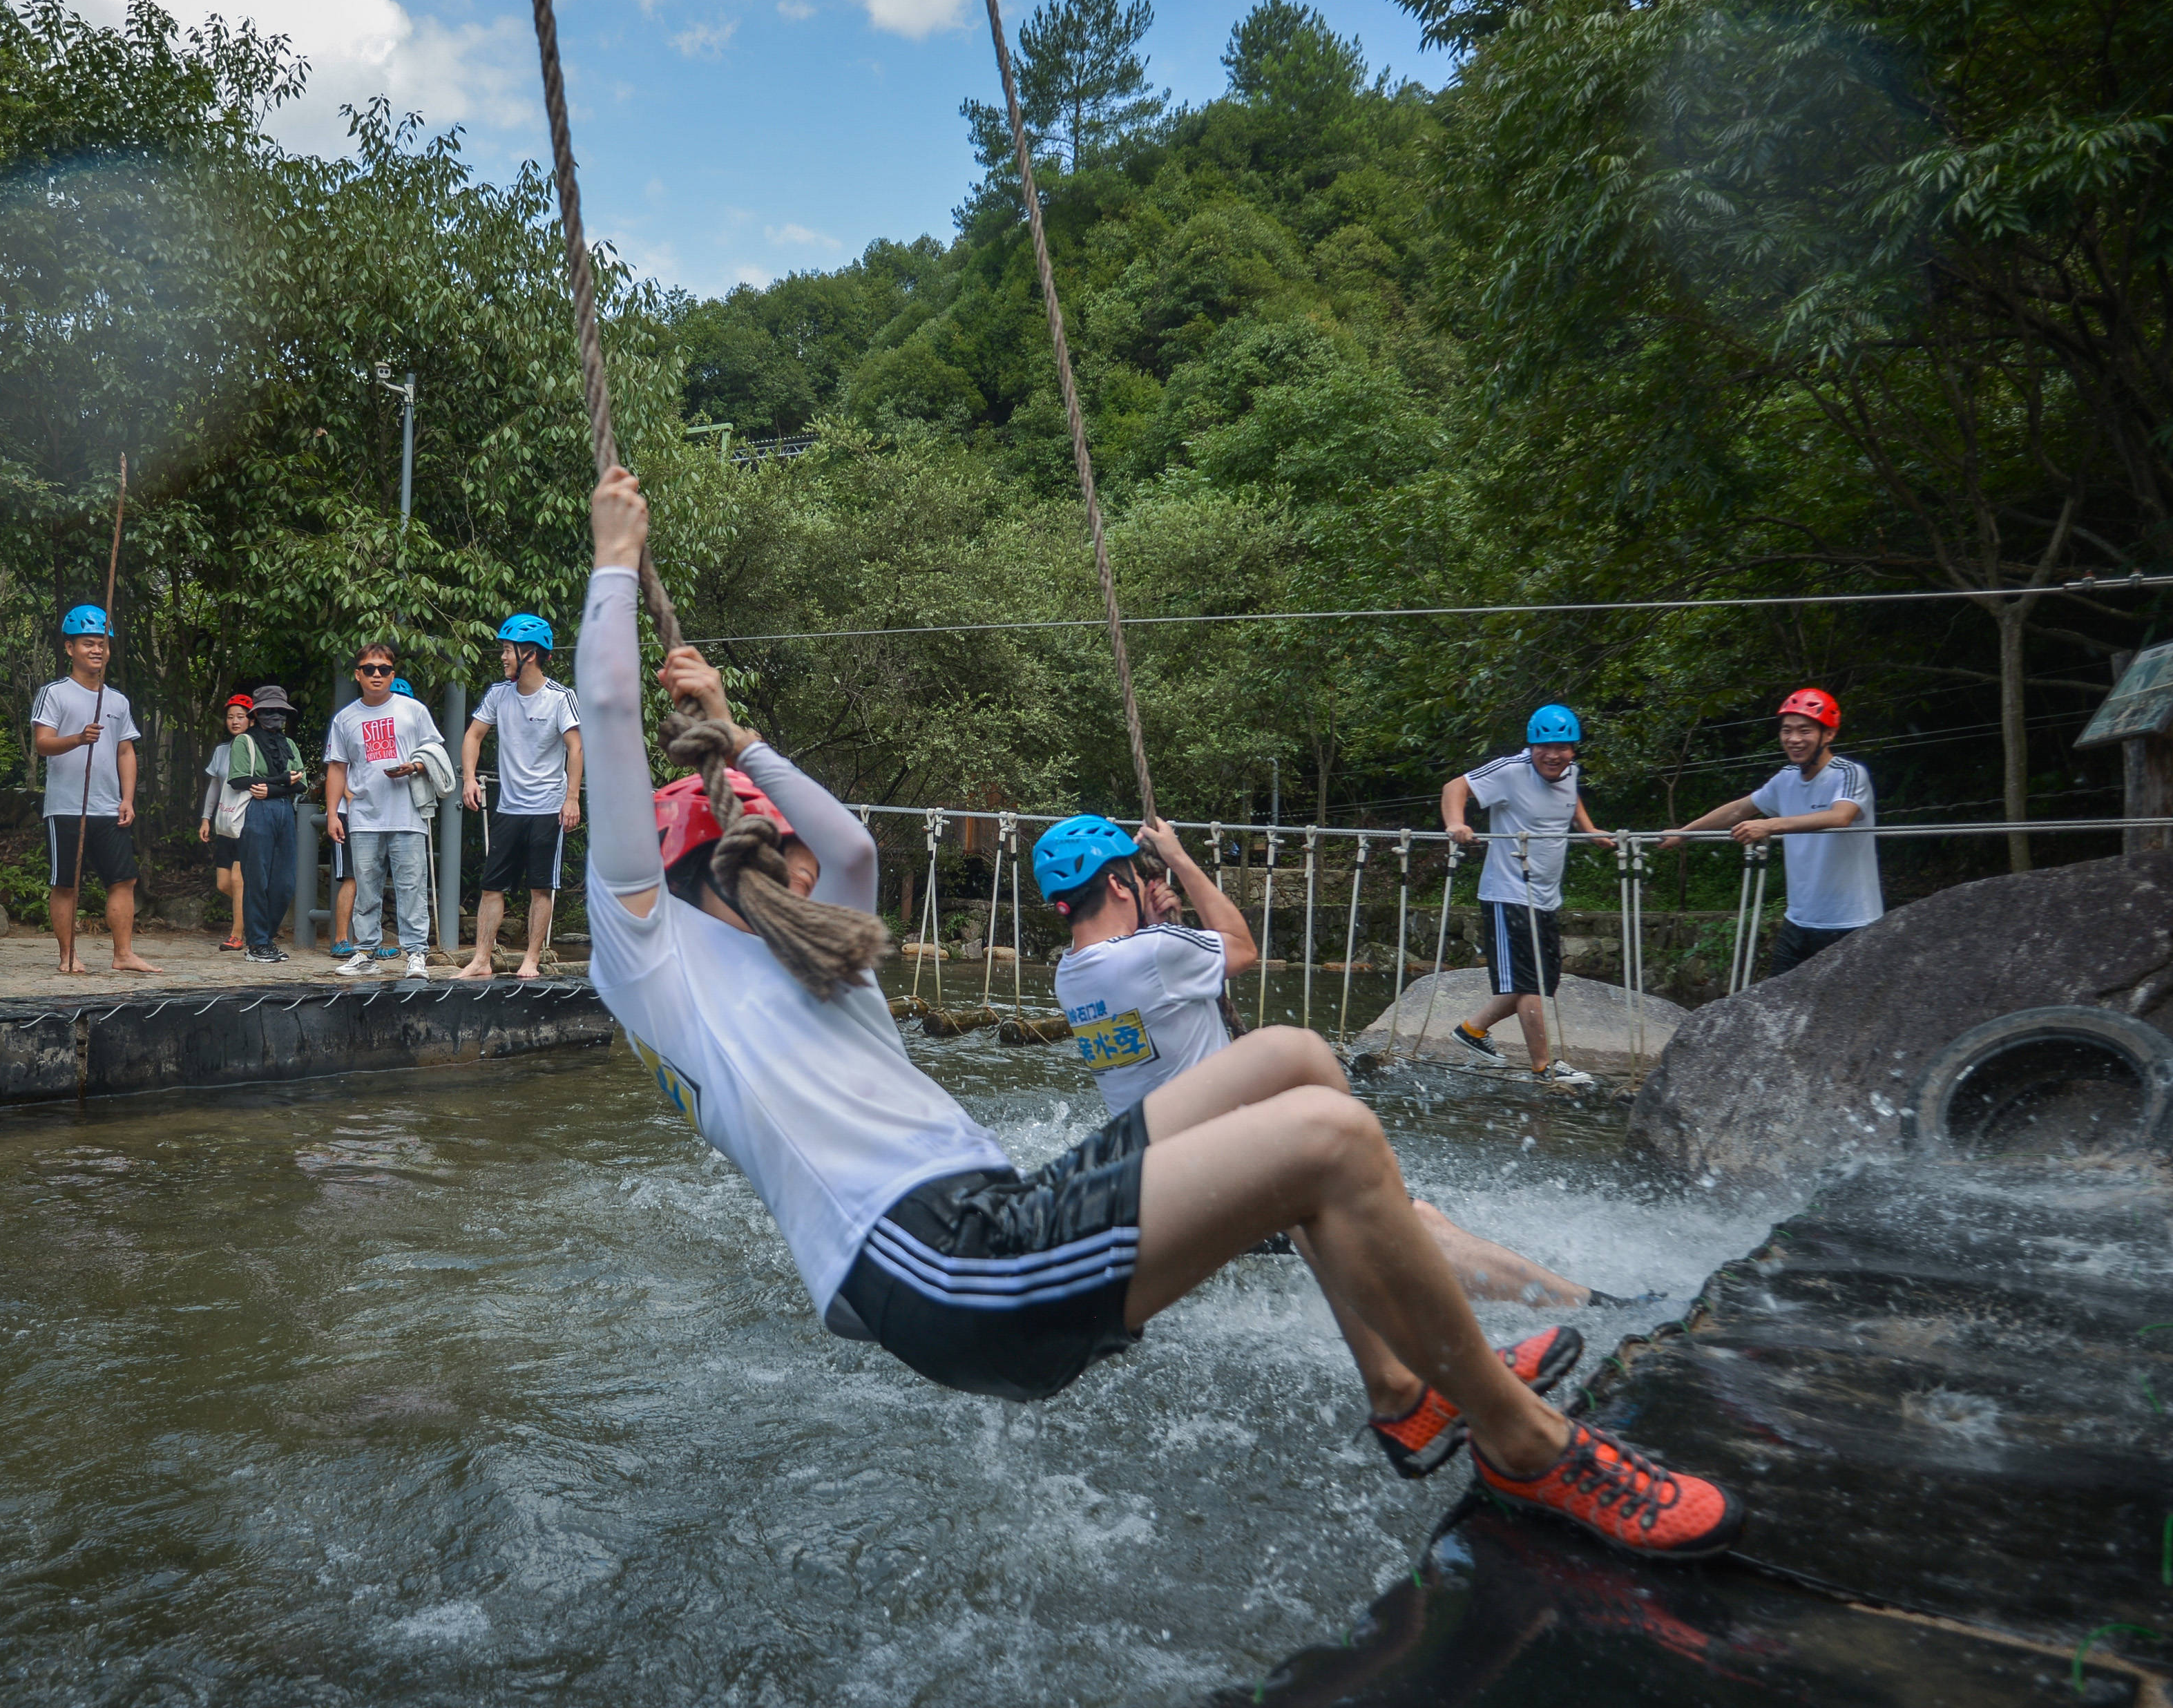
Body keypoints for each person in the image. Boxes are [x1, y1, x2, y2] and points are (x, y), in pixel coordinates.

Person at [578, 462, 1739, 1560]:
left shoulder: (817, 956)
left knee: (1291, 1058)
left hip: (990, 1214)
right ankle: (1525, 1441)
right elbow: (611, 711)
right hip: (931, 1268)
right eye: (768, 850)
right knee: (1328, 1144)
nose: (798, 861)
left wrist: (737, 734)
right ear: (712, 877)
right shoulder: (657, 968)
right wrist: (615, 562)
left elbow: (849, 841)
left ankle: (1400, 1389)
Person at [1039, 814, 1610, 1325]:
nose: (1147, 884)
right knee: (1407, 1224)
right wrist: (1181, 861)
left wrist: (1156, 920)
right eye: (1139, 878)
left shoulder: (1073, 975)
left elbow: (1149, 976)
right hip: (1226, 1169)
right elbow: (1240, 948)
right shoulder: (1154, 951)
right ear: (1118, 884)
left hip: (1169, 1183)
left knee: (1384, 1226)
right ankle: (1584, 1308)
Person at [1442, 707, 1614, 1084]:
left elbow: (1572, 800)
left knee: (1540, 980)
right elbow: (1455, 787)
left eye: (1563, 748)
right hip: (1508, 893)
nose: (1554, 756)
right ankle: (1544, 1068)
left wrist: (1589, 829)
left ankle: (1472, 1030)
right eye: (1545, 747)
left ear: (1573, 750)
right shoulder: (1510, 771)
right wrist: (1456, 822)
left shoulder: (1570, 772)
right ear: (1531, 746)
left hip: (1546, 896)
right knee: (1531, 982)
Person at [1658, 687, 1881, 975]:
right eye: (1787, 731)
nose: (1794, 739)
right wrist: (1684, 833)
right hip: (1798, 922)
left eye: (1805, 731)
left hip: (1851, 923)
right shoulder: (1785, 778)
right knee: (1780, 1012)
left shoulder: (1848, 773)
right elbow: (1740, 810)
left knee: (1849, 1017)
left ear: (1828, 735)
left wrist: (1771, 824)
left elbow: (1841, 816)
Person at [30, 603, 157, 976]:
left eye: (103, 643)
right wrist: (77, 739)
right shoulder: (55, 693)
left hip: (109, 806)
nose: (97, 650)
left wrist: (128, 799)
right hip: (67, 806)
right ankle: (68, 955)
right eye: (88, 643)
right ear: (69, 648)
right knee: (66, 882)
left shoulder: (117, 700)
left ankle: (123, 954)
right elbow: (43, 744)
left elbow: (125, 750)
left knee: (124, 879)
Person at [461, 612, 582, 979]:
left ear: (529, 653)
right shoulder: (499, 694)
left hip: (548, 807)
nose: (502, 656)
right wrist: (469, 778)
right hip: (509, 808)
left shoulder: (561, 698)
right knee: (491, 886)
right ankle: (482, 960)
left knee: (540, 887)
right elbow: (473, 736)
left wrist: (572, 798)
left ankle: (531, 958)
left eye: (507, 649)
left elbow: (575, 748)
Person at [325, 644, 443, 978]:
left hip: (407, 813)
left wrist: (416, 765)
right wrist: (333, 814)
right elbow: (337, 767)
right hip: (362, 814)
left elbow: (435, 753)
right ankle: (365, 951)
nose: (377, 674)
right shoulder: (345, 718)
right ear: (357, 674)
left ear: (393, 673)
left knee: (411, 886)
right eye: (370, 669)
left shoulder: (414, 710)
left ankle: (417, 954)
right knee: (365, 885)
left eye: (385, 669)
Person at [230, 682, 308, 963]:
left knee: (285, 882)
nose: (275, 716)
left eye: (280, 712)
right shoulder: (245, 742)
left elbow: (303, 783)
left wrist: (274, 787)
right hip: (255, 812)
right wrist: (283, 781)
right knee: (257, 879)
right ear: (257, 713)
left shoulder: (289, 744)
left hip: (284, 811)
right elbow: (238, 780)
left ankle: (266, 937)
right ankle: (258, 943)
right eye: (268, 711)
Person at [198, 694, 253, 953]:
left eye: (240, 717)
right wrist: (205, 818)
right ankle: (258, 915)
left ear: (251, 721)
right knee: (223, 883)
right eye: (231, 717)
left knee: (238, 878)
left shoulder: (255, 748)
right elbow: (214, 786)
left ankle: (237, 934)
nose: (235, 721)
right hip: (224, 820)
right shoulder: (222, 751)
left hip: (246, 820)